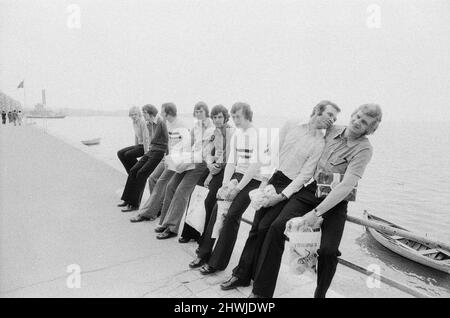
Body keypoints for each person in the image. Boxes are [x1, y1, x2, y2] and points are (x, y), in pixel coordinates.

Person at [249, 104, 382, 298]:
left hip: (336, 200)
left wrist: (316, 213)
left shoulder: (364, 150)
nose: (357, 122)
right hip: (312, 189)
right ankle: (261, 292)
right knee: (276, 227)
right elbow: (311, 126)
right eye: (358, 117)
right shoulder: (332, 130)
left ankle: (319, 295)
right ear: (353, 114)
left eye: (364, 123)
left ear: (370, 130)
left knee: (328, 251)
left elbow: (346, 186)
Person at [218, 100, 340, 291]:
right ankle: (241, 274)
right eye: (330, 115)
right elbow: (272, 152)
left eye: (334, 118)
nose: (332, 120)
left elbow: (305, 175)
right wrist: (265, 182)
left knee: (269, 228)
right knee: (256, 228)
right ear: (317, 110)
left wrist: (282, 195)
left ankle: (260, 284)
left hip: (290, 188)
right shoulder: (292, 124)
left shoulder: (320, 143)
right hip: (272, 179)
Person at [189, 102, 263, 274]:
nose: (236, 120)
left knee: (231, 216)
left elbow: (254, 167)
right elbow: (231, 162)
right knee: (217, 209)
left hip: (253, 180)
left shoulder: (257, 135)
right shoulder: (237, 135)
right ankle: (204, 253)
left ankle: (217, 262)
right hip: (237, 175)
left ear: (247, 115)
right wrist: (224, 185)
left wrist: (237, 189)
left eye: (238, 116)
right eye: (234, 116)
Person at [154, 102, 216, 239]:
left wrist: (186, 161)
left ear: (206, 112)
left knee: (181, 191)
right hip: (189, 159)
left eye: (201, 111)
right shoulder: (196, 126)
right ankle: (164, 222)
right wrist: (176, 157)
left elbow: (204, 152)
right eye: (196, 112)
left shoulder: (211, 129)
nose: (198, 114)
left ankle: (172, 227)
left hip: (200, 163)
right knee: (170, 186)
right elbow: (189, 144)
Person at [179, 105, 234, 243]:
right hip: (213, 166)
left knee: (209, 199)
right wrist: (209, 163)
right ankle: (189, 232)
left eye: (220, 117)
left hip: (226, 169)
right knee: (195, 195)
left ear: (226, 117)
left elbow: (227, 156)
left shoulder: (230, 132)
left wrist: (211, 174)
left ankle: (204, 238)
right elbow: (207, 151)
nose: (217, 120)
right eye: (214, 117)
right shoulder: (214, 131)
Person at [128, 102, 188, 219]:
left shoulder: (180, 125)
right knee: (152, 179)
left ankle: (150, 212)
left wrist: (170, 158)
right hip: (168, 157)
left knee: (162, 183)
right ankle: (155, 208)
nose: (159, 113)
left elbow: (183, 146)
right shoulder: (166, 123)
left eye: (162, 111)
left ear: (168, 113)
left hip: (176, 160)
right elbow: (168, 143)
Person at [118, 103, 169, 212]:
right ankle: (127, 199)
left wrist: (167, 157)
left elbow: (166, 140)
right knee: (133, 170)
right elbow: (149, 139)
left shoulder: (161, 123)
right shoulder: (149, 124)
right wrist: (148, 151)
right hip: (151, 151)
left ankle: (135, 204)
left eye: (144, 112)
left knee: (141, 173)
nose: (143, 115)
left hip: (159, 152)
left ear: (150, 113)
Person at [117, 106, 150, 175]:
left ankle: (139, 170)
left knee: (128, 154)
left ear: (139, 114)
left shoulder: (142, 121)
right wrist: (135, 147)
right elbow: (136, 135)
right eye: (132, 115)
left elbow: (145, 137)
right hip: (139, 145)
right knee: (120, 153)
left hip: (146, 146)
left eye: (135, 114)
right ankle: (131, 174)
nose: (133, 116)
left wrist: (146, 152)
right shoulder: (134, 122)